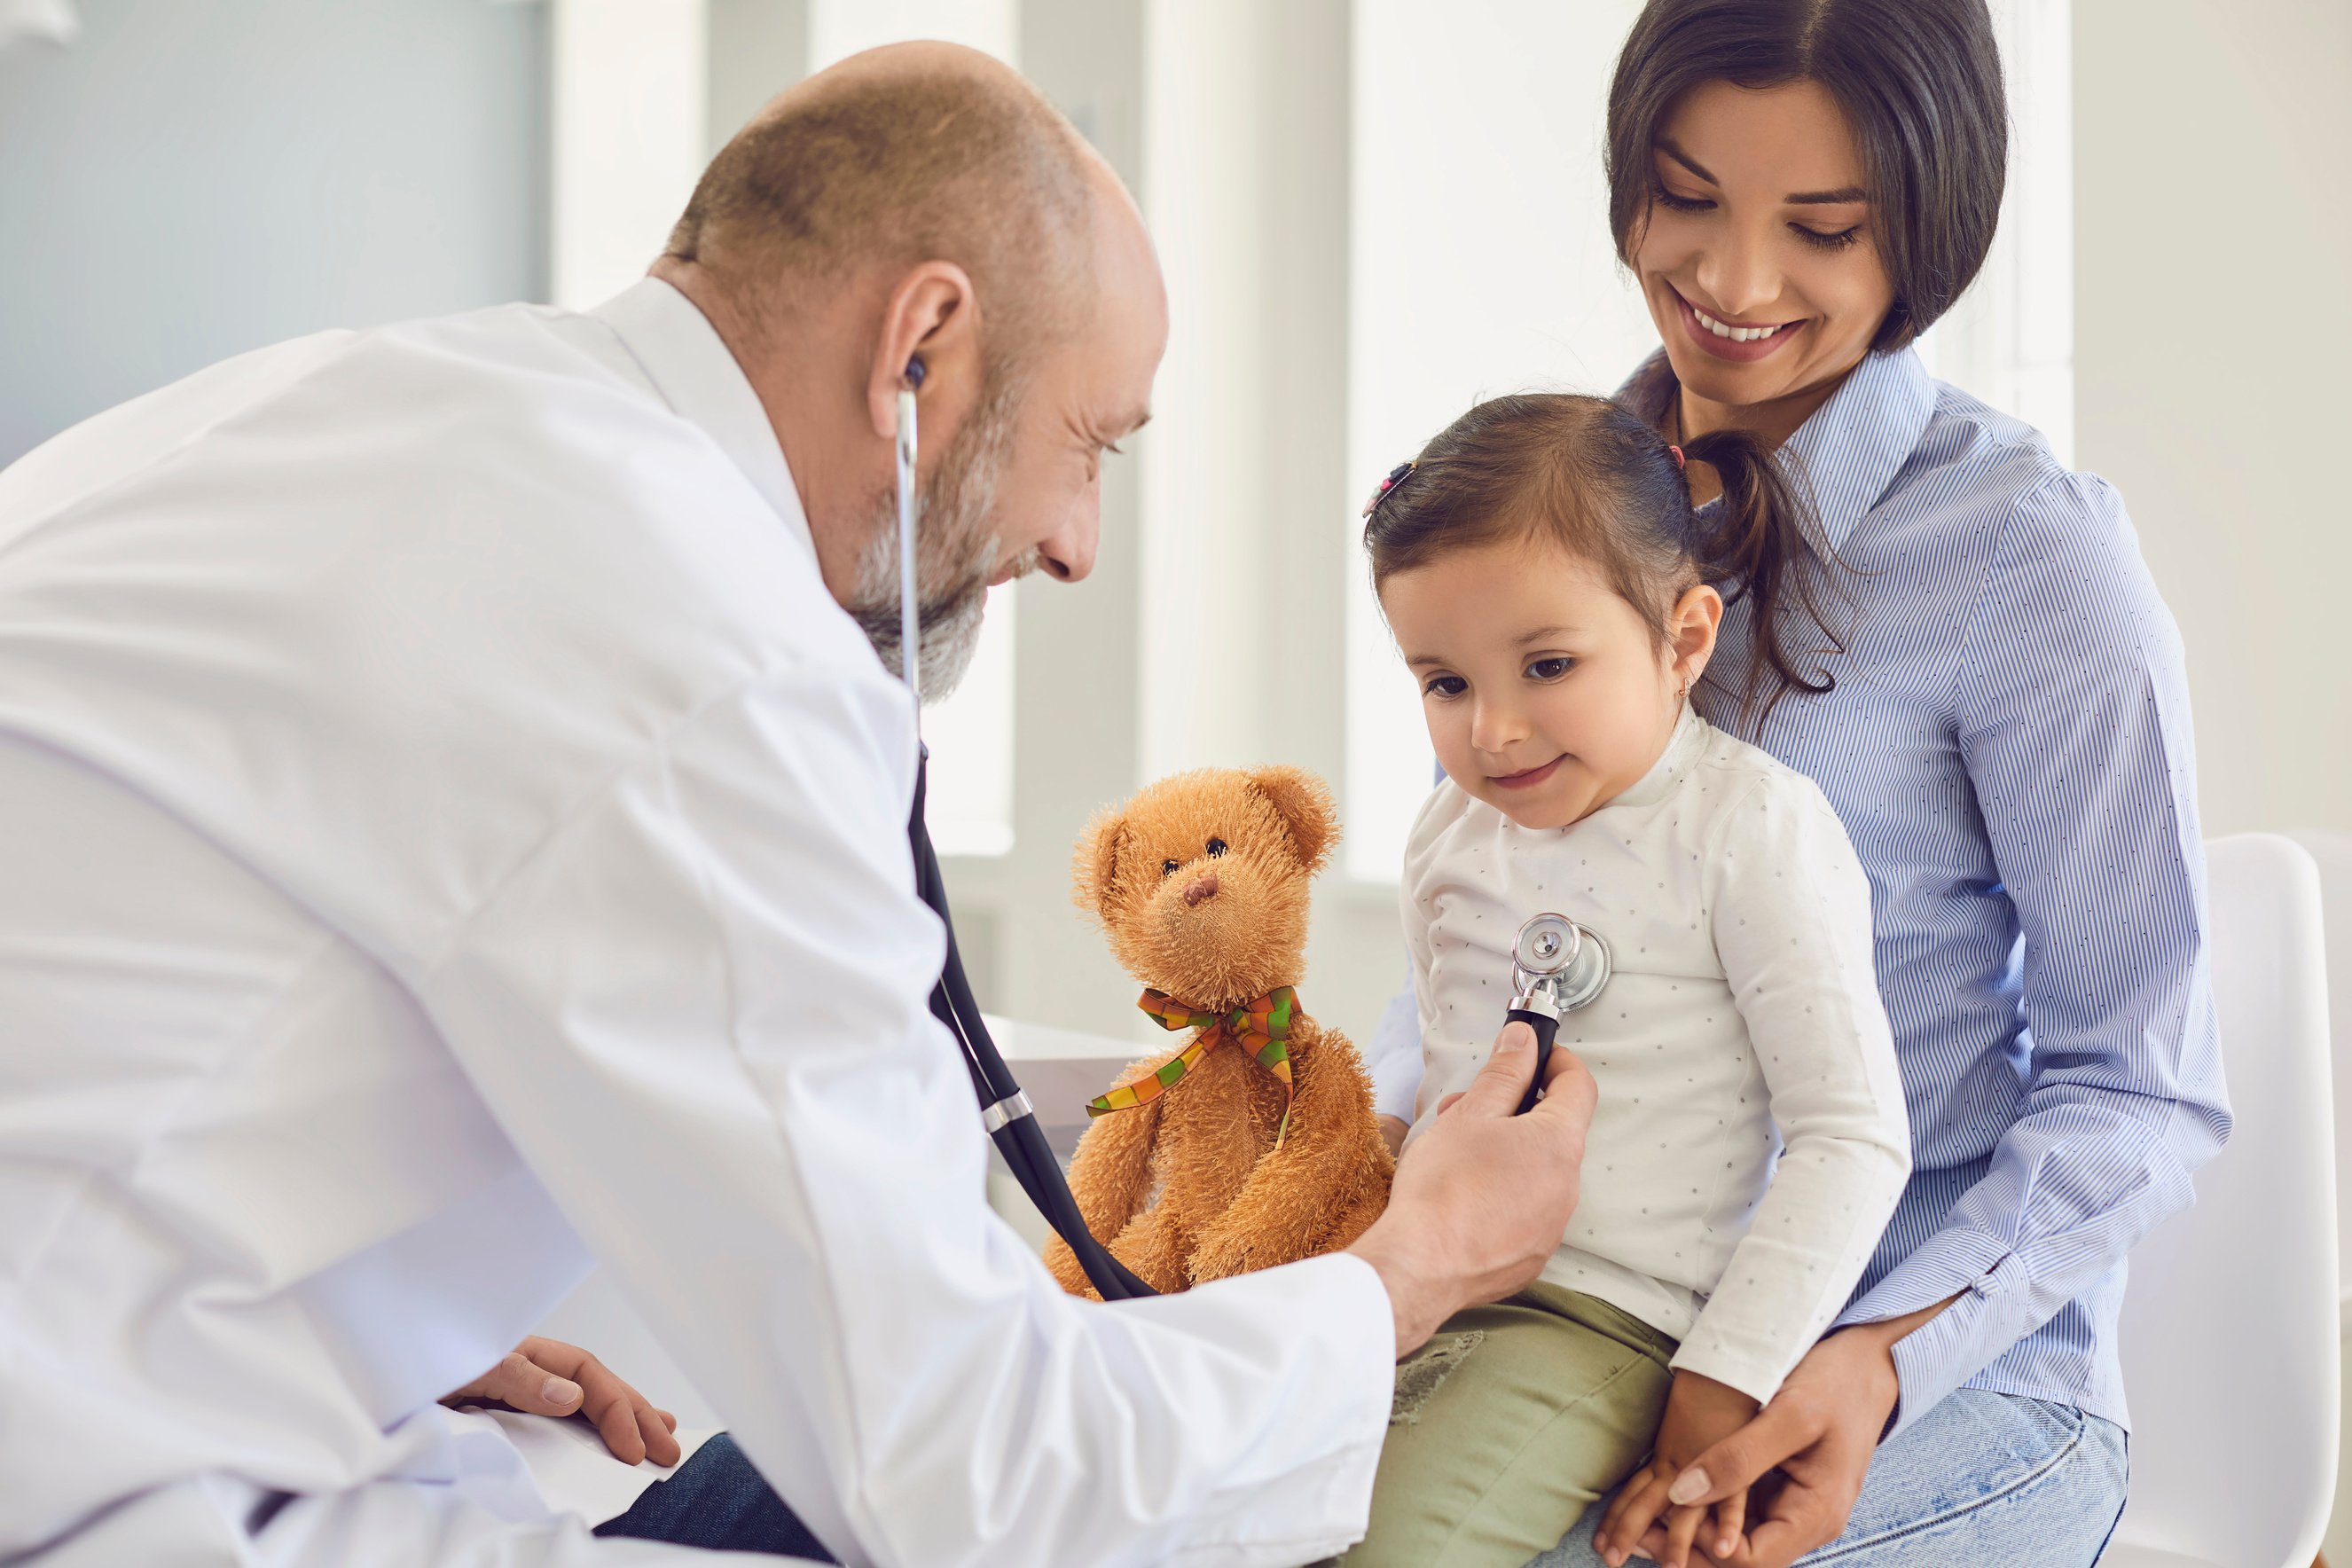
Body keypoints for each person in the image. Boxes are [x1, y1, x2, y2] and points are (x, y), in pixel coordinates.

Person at [0, 43, 1597, 1568]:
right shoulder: (691, 638)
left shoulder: (347, 407)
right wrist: (1419, 1263)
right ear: (921, 351)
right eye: (1086, 447)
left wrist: (340, 1321)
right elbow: (980, 1477)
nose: (1076, 543)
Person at [1360, 3, 2229, 1564]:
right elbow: (1497, 945)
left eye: (1822, 229)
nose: (1735, 284)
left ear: (1929, 230)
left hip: (1915, 1372)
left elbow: (2140, 1088)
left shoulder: (2032, 555)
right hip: (1568, 1328)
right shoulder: (1545, 511)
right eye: (1686, 198)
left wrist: (1878, 1358)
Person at [1338, 393, 1909, 1568]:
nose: (1494, 730)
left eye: (1547, 664)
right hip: (1416, 1282)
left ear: (1685, 640)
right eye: (1443, 682)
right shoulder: (1452, 834)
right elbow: (1434, 1052)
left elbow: (1851, 1135)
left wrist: (1727, 1371)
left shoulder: (1749, 830)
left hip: (1598, 1319)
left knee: (1390, 1551)